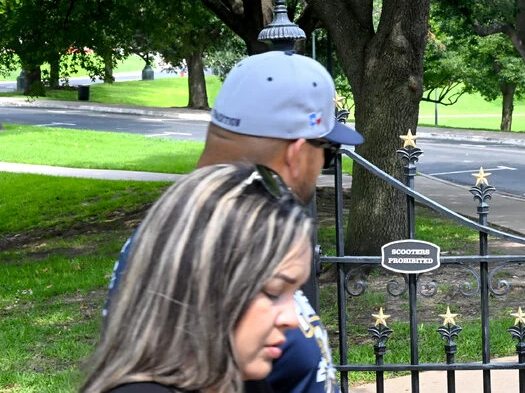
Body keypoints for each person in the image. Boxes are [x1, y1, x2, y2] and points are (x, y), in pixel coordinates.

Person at [107, 50, 364, 393]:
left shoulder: (175, 231)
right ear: (297, 152)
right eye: (328, 153)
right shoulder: (210, 244)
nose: (284, 315)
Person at [82, 164, 315, 393]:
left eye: (294, 293)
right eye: (274, 292)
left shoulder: (243, 380)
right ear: (202, 283)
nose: (293, 319)